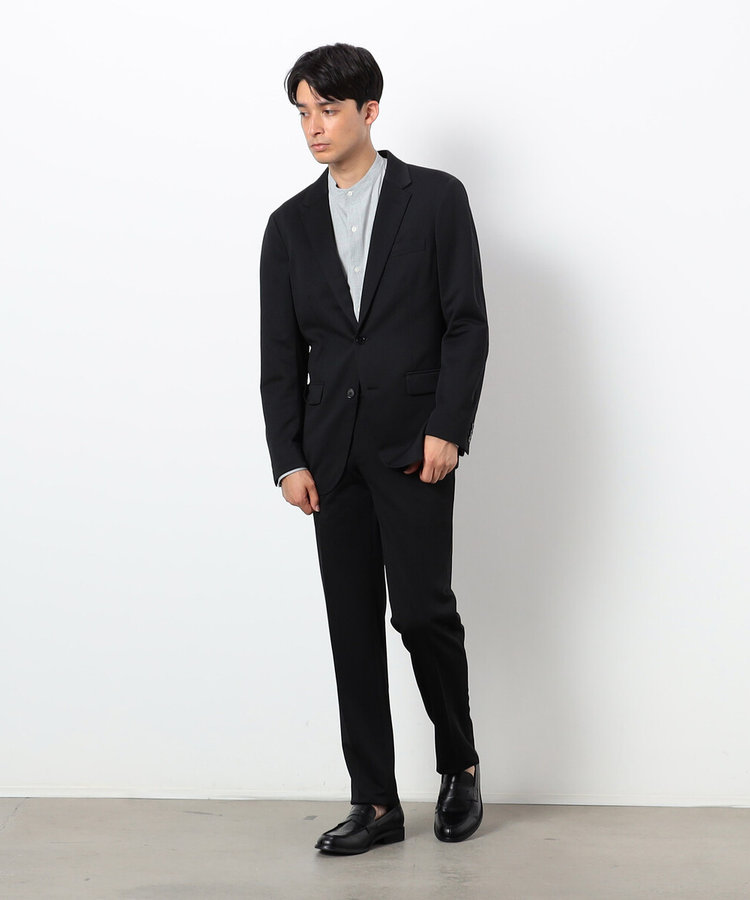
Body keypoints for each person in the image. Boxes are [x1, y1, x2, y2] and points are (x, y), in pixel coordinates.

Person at [259, 42, 489, 855]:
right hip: (330, 457)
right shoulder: (288, 226)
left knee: (422, 613)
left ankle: (459, 766)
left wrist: (448, 427)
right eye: (303, 113)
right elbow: (280, 357)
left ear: (369, 110)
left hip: (415, 446)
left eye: (327, 110)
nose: (313, 127)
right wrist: (289, 458)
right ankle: (377, 803)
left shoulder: (436, 200)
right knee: (350, 628)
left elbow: (466, 323)